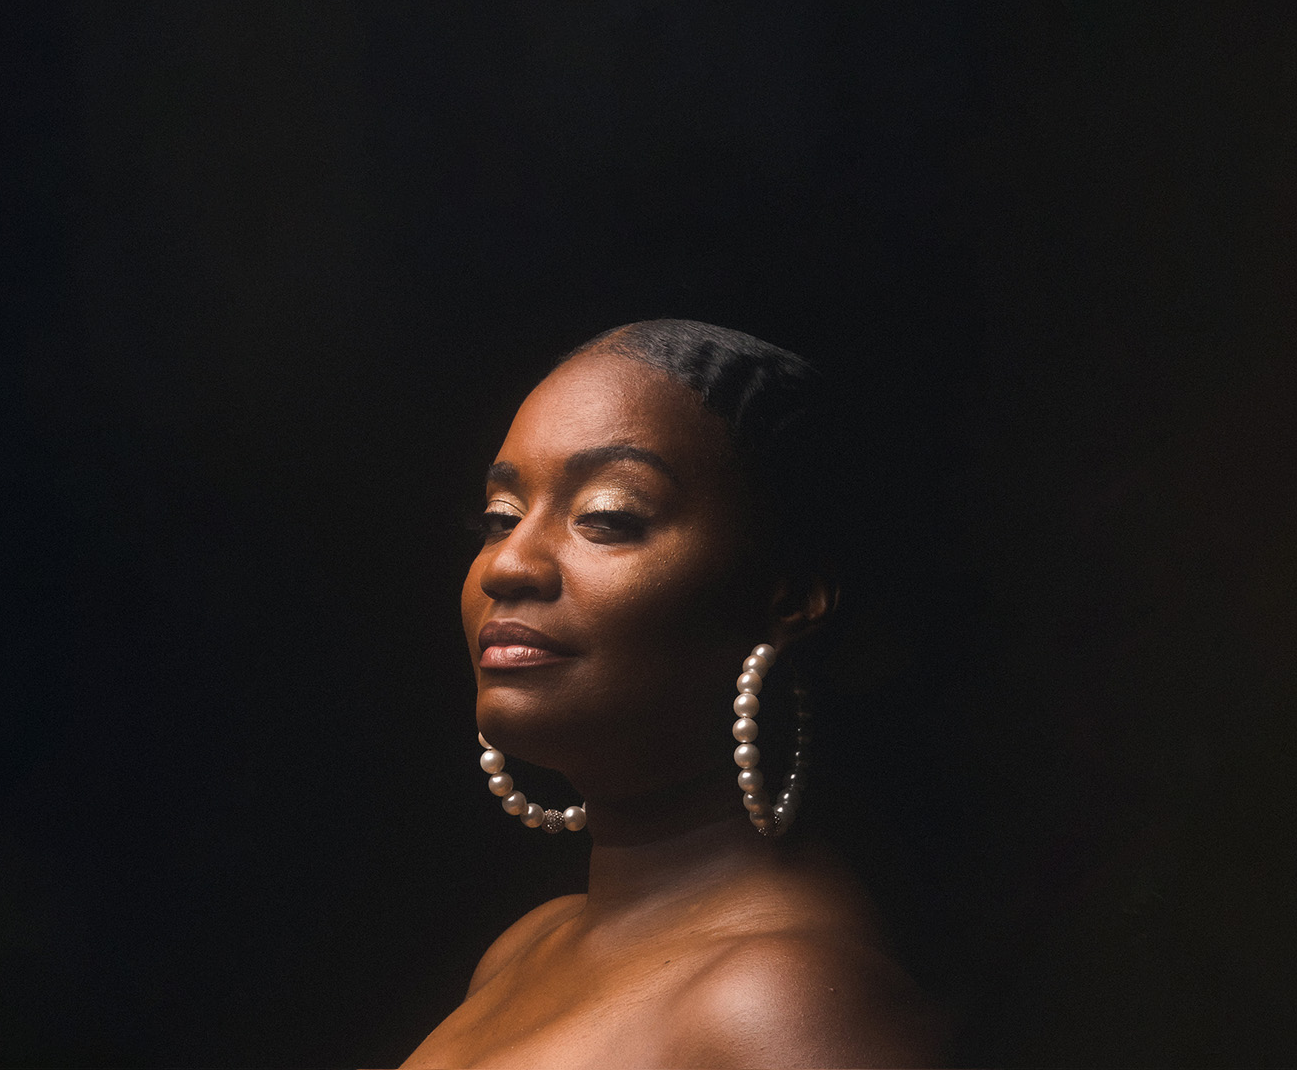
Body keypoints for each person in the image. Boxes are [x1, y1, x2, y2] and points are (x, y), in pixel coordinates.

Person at [402, 320, 945, 1068]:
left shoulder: (780, 1001)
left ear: (788, 597)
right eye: (500, 518)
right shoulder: (525, 950)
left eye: (608, 517)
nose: (509, 564)